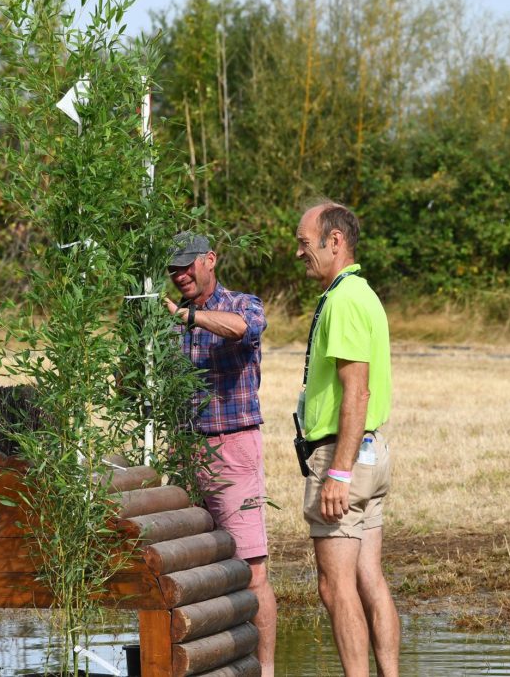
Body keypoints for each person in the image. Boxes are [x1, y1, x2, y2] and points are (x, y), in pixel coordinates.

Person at [163, 232, 277, 677]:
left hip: (233, 448)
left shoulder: (242, 304)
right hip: (184, 453)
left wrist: (191, 318)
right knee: (191, 571)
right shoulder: (167, 319)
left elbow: (243, 329)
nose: (181, 275)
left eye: (188, 265)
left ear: (210, 260)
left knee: (252, 572)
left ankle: (264, 671)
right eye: (174, 269)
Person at [294, 203, 400, 676]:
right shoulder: (363, 293)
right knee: (369, 579)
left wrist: (336, 472)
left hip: (344, 458)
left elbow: (356, 391)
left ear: (333, 241)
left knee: (336, 588)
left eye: (304, 242)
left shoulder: (344, 300)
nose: (299, 252)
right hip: (369, 454)